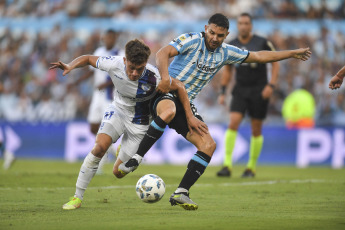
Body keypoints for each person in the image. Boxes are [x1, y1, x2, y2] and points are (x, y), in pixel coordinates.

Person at [120, 13, 311, 210]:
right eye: (211, 33)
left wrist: (290, 53)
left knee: (208, 145)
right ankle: (136, 158)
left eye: (220, 35)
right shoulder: (192, 40)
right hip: (166, 93)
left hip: (186, 104)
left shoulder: (226, 52)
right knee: (168, 110)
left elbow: (259, 56)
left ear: (226, 35)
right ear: (206, 28)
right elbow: (162, 53)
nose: (214, 38)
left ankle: (181, 192)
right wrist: (166, 78)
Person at [49, 39, 203, 210]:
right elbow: (88, 59)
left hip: (141, 125)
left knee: (118, 173)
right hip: (118, 112)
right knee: (99, 148)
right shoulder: (114, 63)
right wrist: (71, 65)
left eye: (140, 68)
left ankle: (123, 149)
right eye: (131, 68)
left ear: (146, 64)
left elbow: (180, 86)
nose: (135, 73)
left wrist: (189, 116)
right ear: (124, 61)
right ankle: (77, 197)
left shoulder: (154, 76)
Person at [216, 13, 280, 178]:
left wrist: (271, 85)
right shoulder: (231, 44)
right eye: (240, 23)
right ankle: (227, 165)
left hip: (259, 90)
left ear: (251, 26)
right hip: (240, 89)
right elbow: (228, 70)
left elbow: (275, 62)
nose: (243, 26)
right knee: (233, 123)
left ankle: (250, 167)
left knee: (256, 128)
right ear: (238, 26)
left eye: (246, 23)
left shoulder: (262, 42)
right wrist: (223, 91)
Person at [71, 29, 122, 174]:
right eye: (107, 37)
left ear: (115, 38)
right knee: (93, 127)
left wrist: (105, 85)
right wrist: (77, 81)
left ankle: (103, 155)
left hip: (109, 96)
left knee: (104, 129)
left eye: (112, 37)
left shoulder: (118, 54)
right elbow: (91, 70)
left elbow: (121, 76)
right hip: (96, 95)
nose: (109, 40)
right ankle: (110, 149)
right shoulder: (99, 50)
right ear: (103, 38)